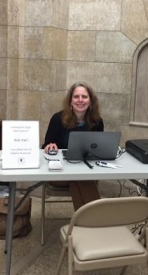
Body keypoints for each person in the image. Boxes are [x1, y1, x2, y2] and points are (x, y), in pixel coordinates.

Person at [42, 81, 104, 210]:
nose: (80, 100)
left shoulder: (97, 122)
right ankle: (97, 218)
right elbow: (45, 146)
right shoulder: (57, 119)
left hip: (86, 170)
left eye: (84, 97)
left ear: (90, 101)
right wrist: (49, 147)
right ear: (70, 101)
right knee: (81, 178)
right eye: (76, 97)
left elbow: (97, 148)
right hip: (60, 172)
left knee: (79, 178)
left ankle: (83, 222)